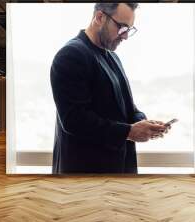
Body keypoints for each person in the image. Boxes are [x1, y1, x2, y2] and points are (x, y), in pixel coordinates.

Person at [50, 3, 170, 174]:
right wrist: (129, 132)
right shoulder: (71, 55)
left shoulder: (113, 57)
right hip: (86, 173)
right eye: (122, 27)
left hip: (119, 168)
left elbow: (127, 107)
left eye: (129, 29)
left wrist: (144, 123)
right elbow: (74, 119)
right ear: (99, 17)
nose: (126, 36)